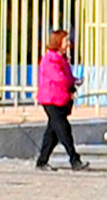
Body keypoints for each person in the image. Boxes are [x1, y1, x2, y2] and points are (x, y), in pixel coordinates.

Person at [29, 26, 84, 171]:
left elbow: (66, 77)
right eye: (65, 40)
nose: (68, 43)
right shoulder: (50, 60)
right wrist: (71, 82)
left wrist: (75, 80)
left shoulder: (62, 59)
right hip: (51, 100)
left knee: (52, 133)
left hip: (61, 99)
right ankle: (74, 159)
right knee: (64, 129)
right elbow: (59, 78)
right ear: (58, 42)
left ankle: (42, 161)